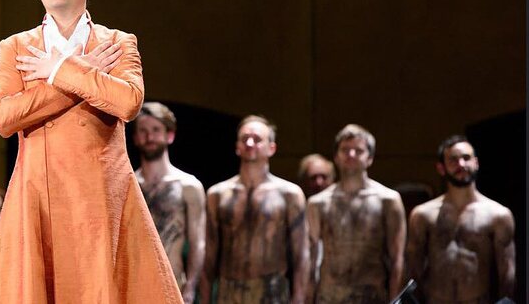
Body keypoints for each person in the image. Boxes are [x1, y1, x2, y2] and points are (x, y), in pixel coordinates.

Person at [0, 0, 182, 303]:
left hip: (101, 200)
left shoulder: (118, 42)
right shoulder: (16, 47)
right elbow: (3, 117)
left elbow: (128, 102)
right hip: (38, 198)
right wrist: (79, 74)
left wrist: (59, 69)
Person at [200, 115, 309, 304]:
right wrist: (205, 299)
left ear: (271, 148)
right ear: (237, 147)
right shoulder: (218, 194)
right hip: (229, 291)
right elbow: (208, 255)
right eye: (244, 139)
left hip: (272, 291)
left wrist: (299, 298)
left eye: (257, 139)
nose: (250, 143)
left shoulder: (289, 194)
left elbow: (301, 254)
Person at [406, 135, 515, 302]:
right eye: (453, 160)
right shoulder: (423, 215)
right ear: (441, 168)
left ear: (476, 163)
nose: (461, 164)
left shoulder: (498, 215)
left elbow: (507, 274)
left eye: (466, 158)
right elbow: (413, 272)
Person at [306, 124, 406, 303]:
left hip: (372, 296)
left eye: (358, 150)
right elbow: (310, 261)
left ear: (370, 158)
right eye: (345, 150)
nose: (351, 155)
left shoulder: (388, 200)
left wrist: (395, 300)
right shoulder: (318, 203)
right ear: (336, 157)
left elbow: (397, 259)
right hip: (330, 297)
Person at [133, 102, 206, 304]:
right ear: (135, 137)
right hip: (135, 286)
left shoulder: (189, 186)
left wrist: (190, 287)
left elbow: (198, 242)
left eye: (156, 130)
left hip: (173, 286)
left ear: (170, 135)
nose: (149, 136)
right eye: (143, 131)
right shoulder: (128, 186)